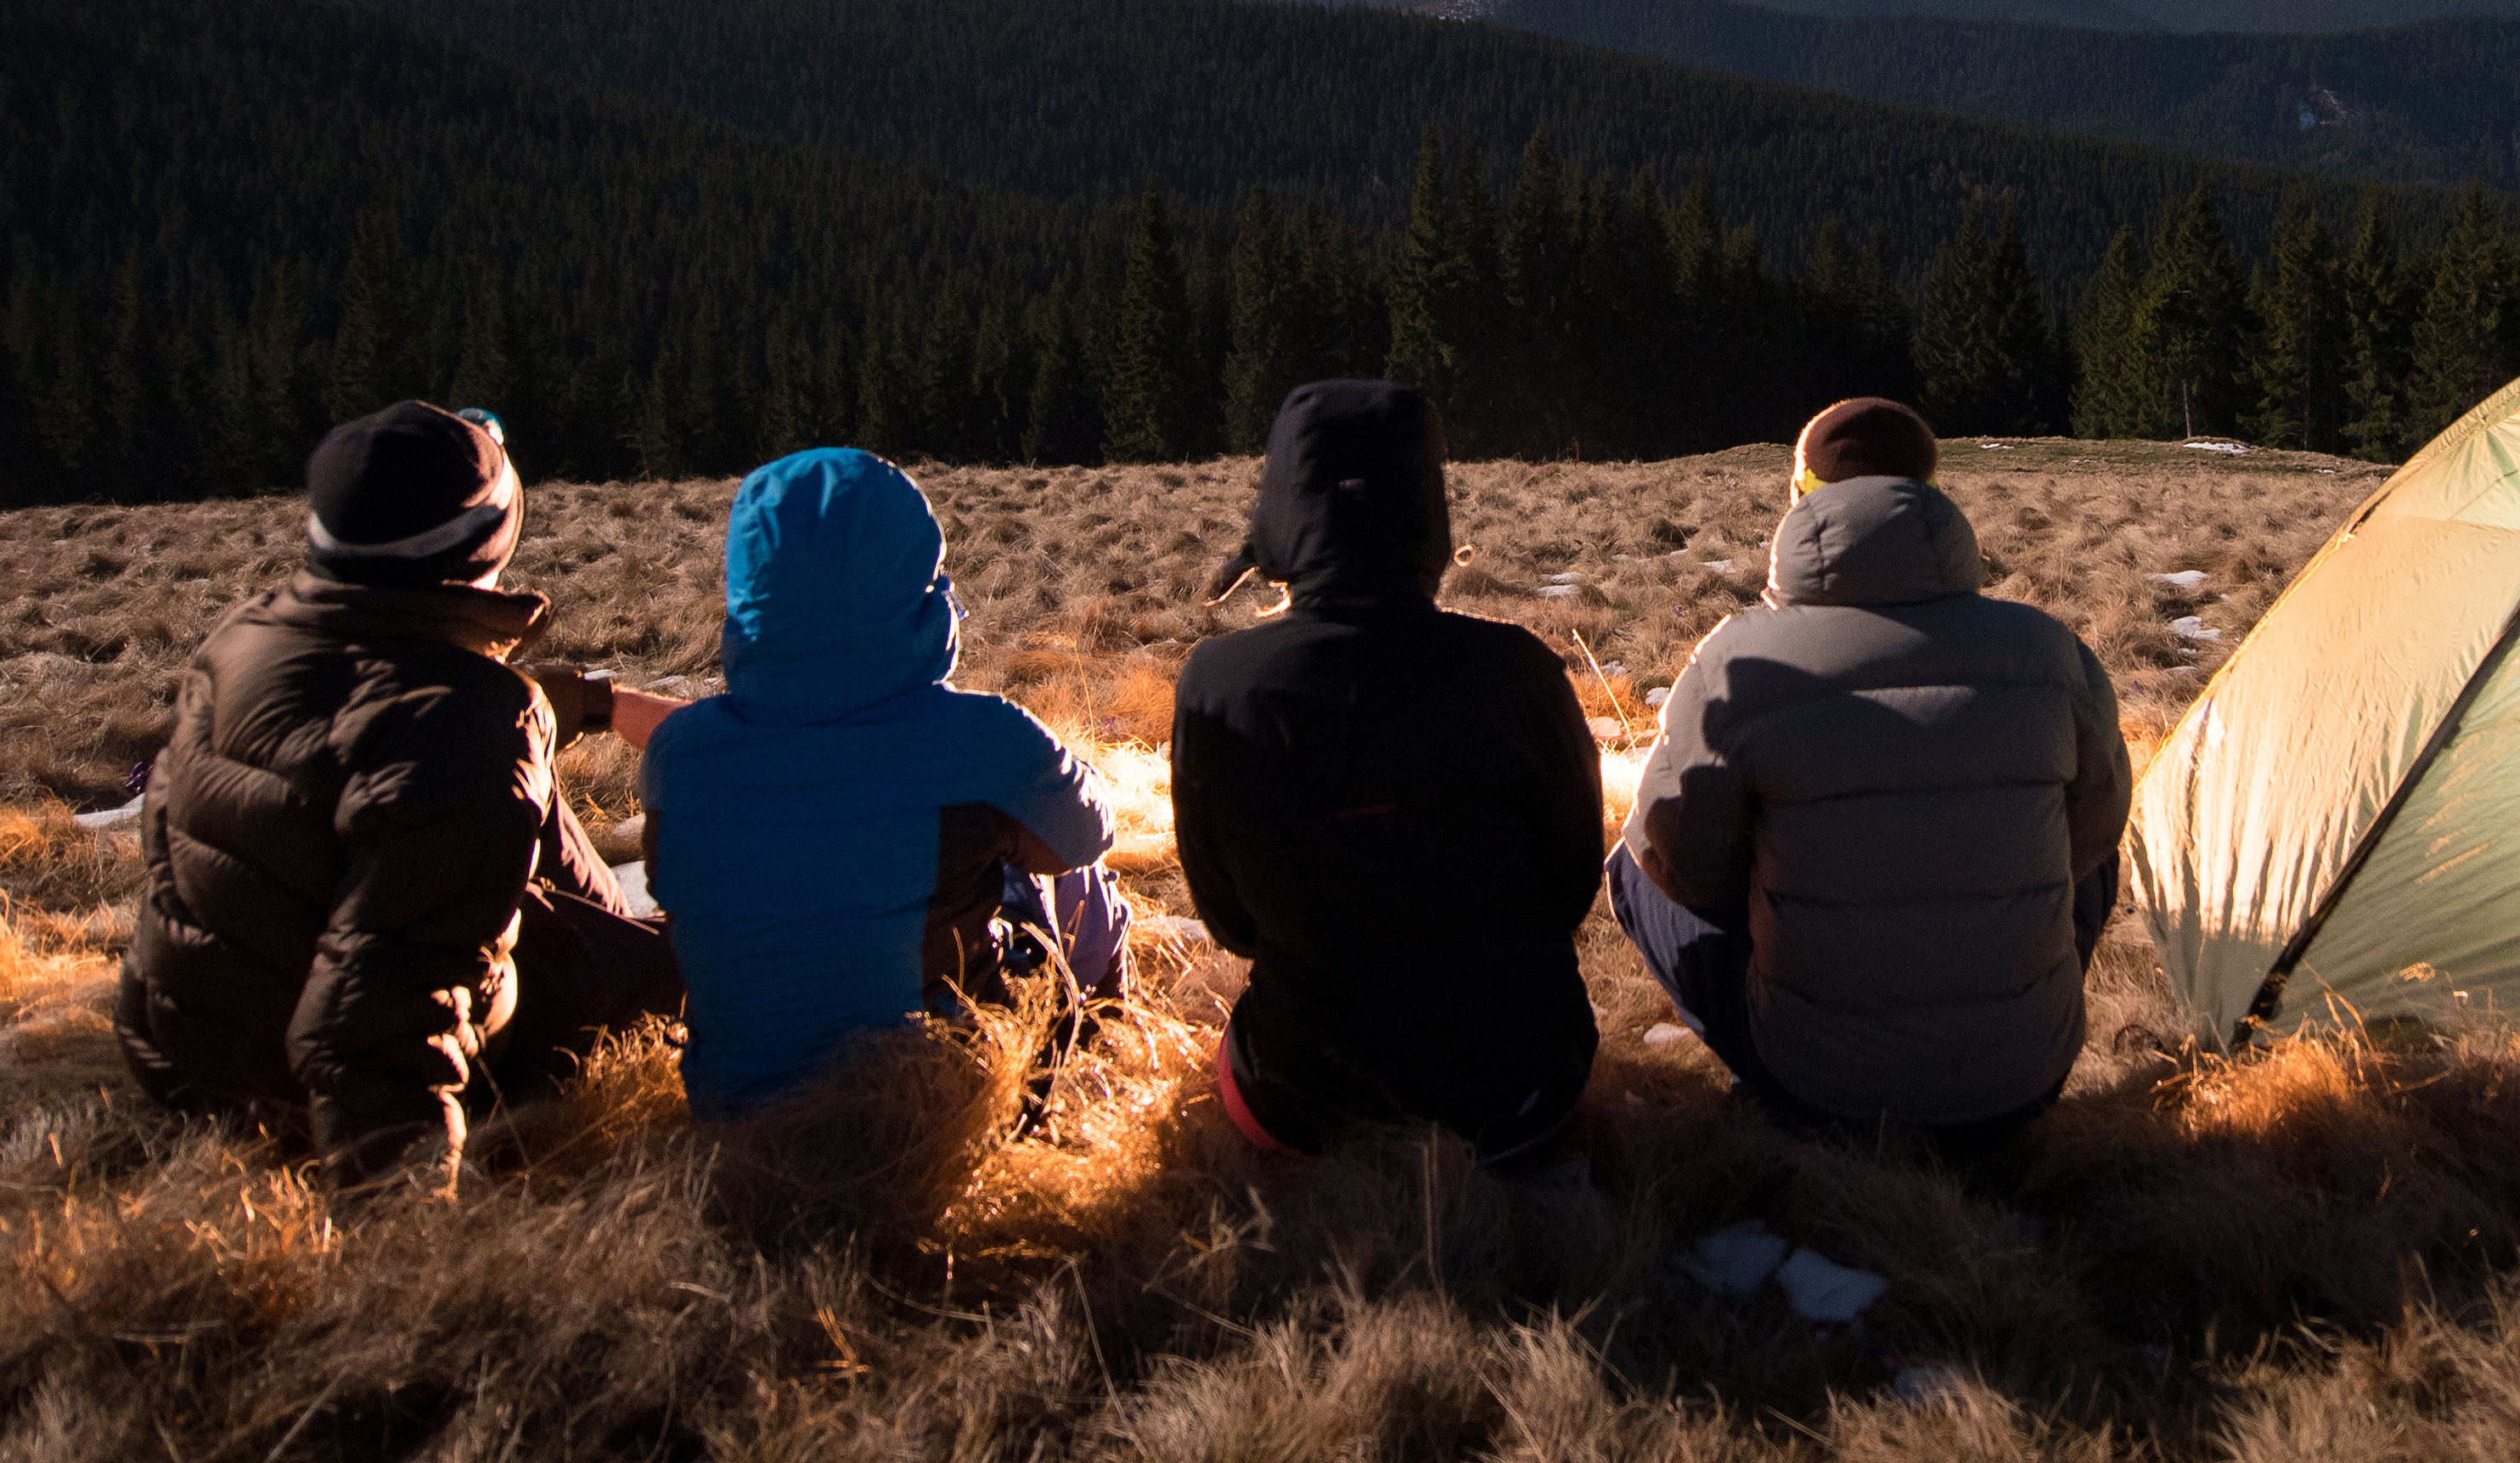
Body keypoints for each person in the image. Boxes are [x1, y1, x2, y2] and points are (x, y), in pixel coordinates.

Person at [115, 397, 682, 1187]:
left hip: (183, 1040)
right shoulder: (468, 719)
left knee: (518, 779)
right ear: (485, 545)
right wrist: (400, 1227)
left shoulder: (249, 638)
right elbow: (384, 1014)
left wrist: (596, 702)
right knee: (695, 977)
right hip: (296, 1094)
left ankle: (616, 936)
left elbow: (372, 718)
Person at [1609, 394, 2129, 1160]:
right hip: (2023, 1081)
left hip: (1819, 1091)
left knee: (1632, 867)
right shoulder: (2048, 649)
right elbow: (2096, 830)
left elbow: (1678, 862)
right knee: (2082, 846)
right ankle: (2000, 1020)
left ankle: (1793, 1037)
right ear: (1932, 496)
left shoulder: (1740, 658)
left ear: (1801, 499)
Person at [1173, 376, 1604, 1163]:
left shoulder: (1220, 682)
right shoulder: (1519, 671)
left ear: (1280, 504)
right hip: (1520, 1094)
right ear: (1428, 509)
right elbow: (1570, 884)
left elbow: (1229, 920)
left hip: (1303, 1099)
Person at [641, 447, 1125, 1114]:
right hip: (939, 1109)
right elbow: (1089, 834)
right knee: (1082, 883)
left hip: (733, 1117)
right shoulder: (980, 739)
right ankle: (1094, 1084)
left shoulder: (678, 752)